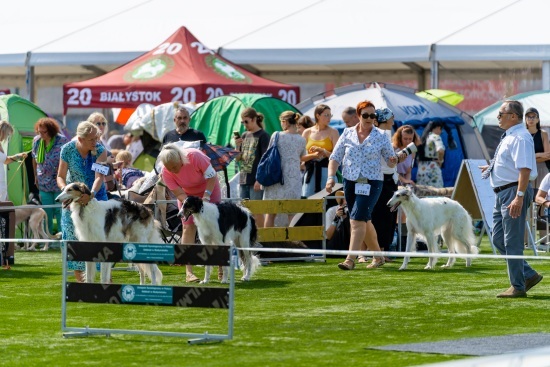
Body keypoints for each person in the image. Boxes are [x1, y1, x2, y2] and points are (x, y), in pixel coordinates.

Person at [479, 99, 542, 298]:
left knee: (512, 242)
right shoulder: (511, 135)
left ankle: (518, 287)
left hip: (513, 192)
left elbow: (525, 169)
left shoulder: (520, 137)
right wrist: (492, 168)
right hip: (503, 192)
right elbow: (512, 164)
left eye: (501, 114)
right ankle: (528, 274)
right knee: (498, 239)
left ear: (513, 116)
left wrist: (519, 197)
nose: (498, 117)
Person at [326, 100, 398, 270]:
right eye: (365, 115)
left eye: (372, 115)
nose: (369, 118)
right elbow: (335, 157)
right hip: (350, 181)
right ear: (358, 115)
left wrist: (393, 160)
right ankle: (378, 257)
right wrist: (330, 177)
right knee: (365, 220)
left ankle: (350, 259)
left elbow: (390, 160)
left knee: (356, 219)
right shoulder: (347, 133)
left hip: (372, 183)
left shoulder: (381, 135)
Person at [158, 143, 221, 283]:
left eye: (175, 166)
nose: (173, 170)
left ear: (181, 158)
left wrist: (206, 197)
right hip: (186, 196)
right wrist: (191, 204)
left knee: (214, 228)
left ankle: (221, 266)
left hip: (209, 190)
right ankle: (189, 272)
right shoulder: (166, 171)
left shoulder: (195, 156)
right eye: (169, 168)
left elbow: (211, 176)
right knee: (188, 227)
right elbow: (178, 193)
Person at [57, 121, 109, 283]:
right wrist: (67, 192)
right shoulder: (67, 150)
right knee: (74, 238)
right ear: (80, 139)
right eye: (92, 139)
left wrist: (91, 194)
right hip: (72, 199)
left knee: (101, 239)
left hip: (96, 198)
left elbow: (100, 177)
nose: (96, 142)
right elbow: (60, 176)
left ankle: (106, 282)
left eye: (97, 138)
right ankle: (83, 284)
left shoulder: (101, 150)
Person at [263, 111, 307, 228]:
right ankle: (294, 243)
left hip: (276, 177)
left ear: (285, 122)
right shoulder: (301, 140)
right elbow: (302, 157)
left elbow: (269, 154)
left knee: (271, 213)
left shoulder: (276, 135)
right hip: (293, 180)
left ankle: (268, 242)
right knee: (292, 214)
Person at [31, 117, 69, 234]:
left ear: (51, 130)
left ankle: (62, 237)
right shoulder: (37, 141)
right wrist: (35, 176)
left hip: (58, 181)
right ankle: (47, 238)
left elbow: (67, 159)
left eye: (44, 132)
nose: (41, 134)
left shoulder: (62, 141)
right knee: (46, 212)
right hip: (43, 181)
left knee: (60, 210)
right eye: (39, 132)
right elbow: (34, 159)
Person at [234, 108, 270, 226]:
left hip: (255, 180)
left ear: (254, 119)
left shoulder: (263, 136)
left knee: (256, 211)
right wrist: (237, 146)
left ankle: (260, 238)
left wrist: (259, 179)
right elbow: (238, 159)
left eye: (246, 121)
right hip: (244, 178)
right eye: (242, 122)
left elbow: (266, 160)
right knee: (243, 211)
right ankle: (249, 238)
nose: (244, 124)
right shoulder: (244, 135)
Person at [371, 108, 400, 259]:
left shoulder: (385, 135)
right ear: (385, 119)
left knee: (389, 216)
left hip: (390, 179)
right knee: (381, 215)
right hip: (382, 179)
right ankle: (380, 250)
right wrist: (398, 157)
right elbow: (388, 161)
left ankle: (384, 249)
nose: (393, 121)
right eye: (391, 118)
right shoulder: (378, 135)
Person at [301, 104, 340, 197]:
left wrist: (324, 151)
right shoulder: (307, 132)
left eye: (330, 115)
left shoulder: (333, 132)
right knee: (309, 202)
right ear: (317, 116)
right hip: (310, 172)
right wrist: (313, 155)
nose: (329, 118)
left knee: (328, 202)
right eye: (326, 115)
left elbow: (338, 156)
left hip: (327, 172)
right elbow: (300, 157)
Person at [0, 121, 27, 201]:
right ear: (2, 132)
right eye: (7, 134)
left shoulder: (0, 144)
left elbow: (5, 160)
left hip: (1, 180)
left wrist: (19, 156)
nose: (7, 137)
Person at [525, 107, 550, 190]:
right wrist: (538, 154)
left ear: (538, 119)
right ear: (525, 119)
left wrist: (530, 157)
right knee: (528, 196)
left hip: (542, 167)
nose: (531, 119)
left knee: (540, 196)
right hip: (526, 168)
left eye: (533, 117)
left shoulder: (543, 134)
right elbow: (522, 157)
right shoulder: (522, 134)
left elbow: (547, 155)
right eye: (529, 117)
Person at [416, 121, 445, 188]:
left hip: (421, 170)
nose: (440, 132)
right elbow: (440, 150)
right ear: (438, 128)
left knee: (422, 193)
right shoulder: (436, 137)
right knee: (436, 193)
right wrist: (440, 161)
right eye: (441, 129)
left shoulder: (423, 138)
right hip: (432, 169)